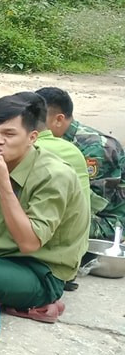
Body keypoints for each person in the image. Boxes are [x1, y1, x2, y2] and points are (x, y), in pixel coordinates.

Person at [0, 95, 90, 323]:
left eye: (9, 134)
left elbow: (29, 243)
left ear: (32, 137)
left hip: (41, 271)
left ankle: (40, 302)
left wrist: (3, 184)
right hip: (2, 254)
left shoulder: (54, 175)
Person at [34, 86, 123, 241]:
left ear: (59, 119)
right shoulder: (52, 141)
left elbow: (92, 205)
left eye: (37, 120)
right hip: (82, 213)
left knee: (37, 227)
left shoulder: (96, 148)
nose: (31, 125)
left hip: (110, 222)